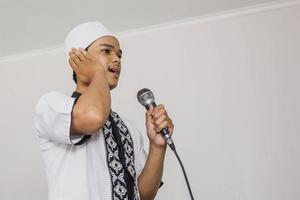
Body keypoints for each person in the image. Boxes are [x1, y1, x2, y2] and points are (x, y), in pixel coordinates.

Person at [33, 21, 174, 200]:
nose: (117, 59)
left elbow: (144, 195)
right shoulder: (51, 105)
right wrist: (97, 73)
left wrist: (157, 146)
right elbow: (93, 117)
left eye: (119, 55)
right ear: (79, 58)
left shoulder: (129, 127)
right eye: (106, 51)